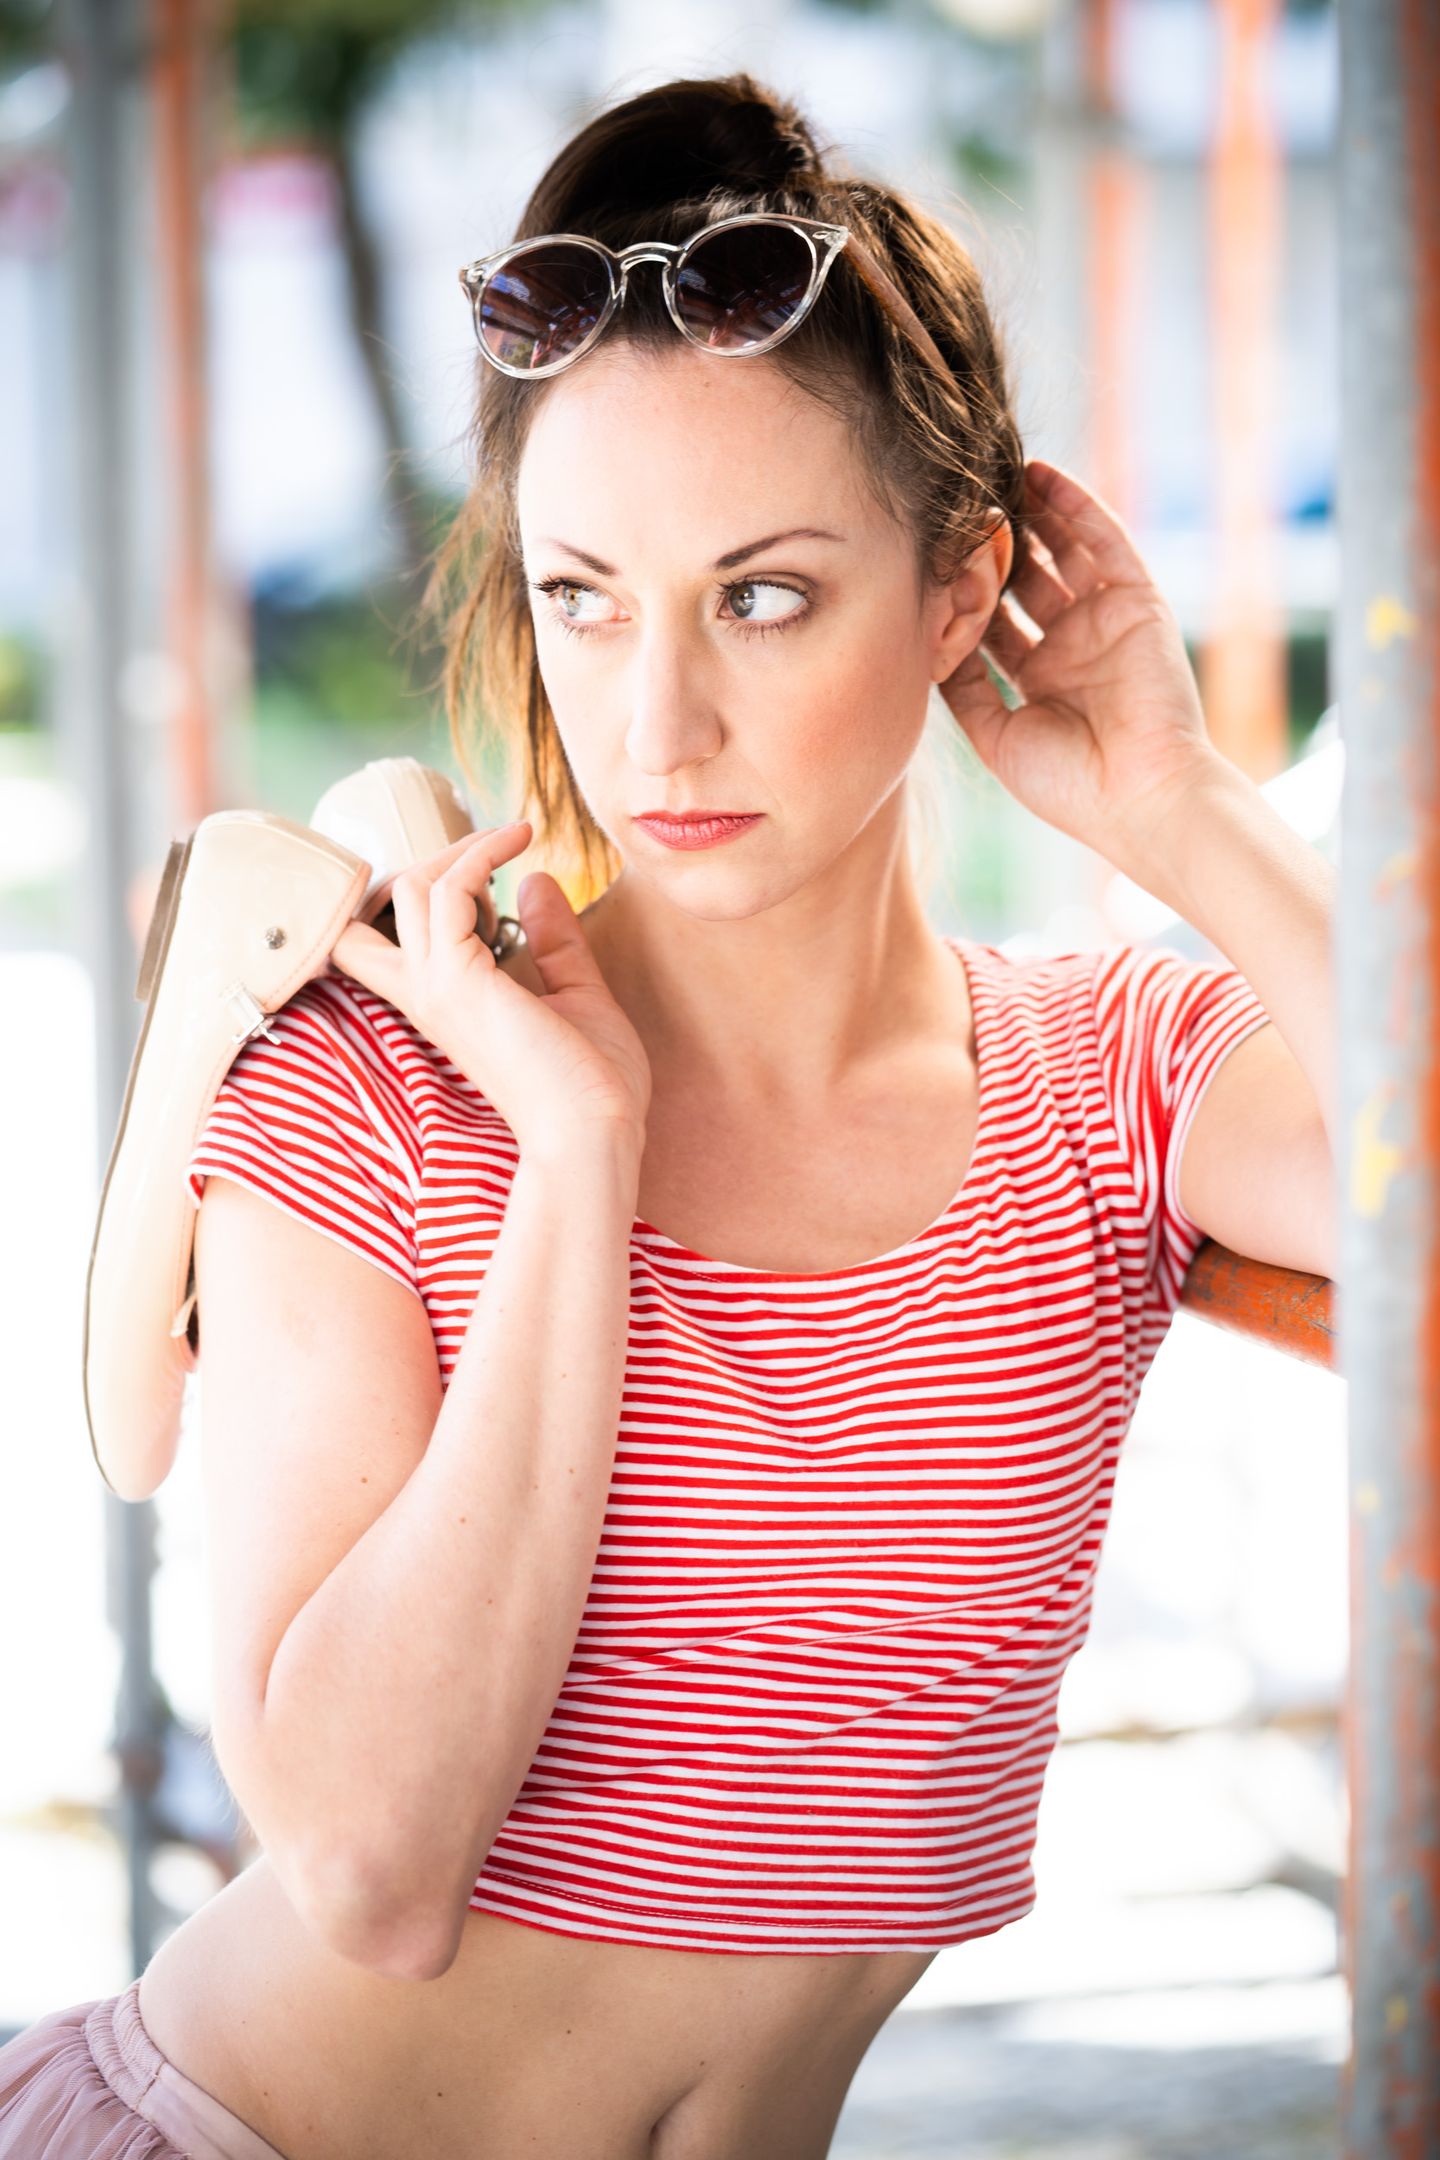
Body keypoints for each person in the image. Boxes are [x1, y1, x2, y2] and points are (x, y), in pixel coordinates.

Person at [0, 66, 1336, 2160]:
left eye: (765, 595)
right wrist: (575, 1156)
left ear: (965, 593)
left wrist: (1181, 805)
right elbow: (367, 1867)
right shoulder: (375, 1073)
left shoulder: (1109, 1077)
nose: (657, 721)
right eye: (583, 595)